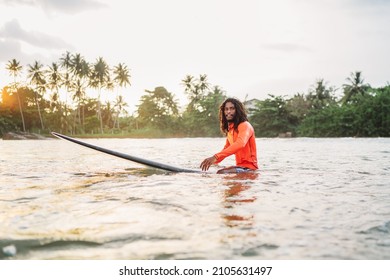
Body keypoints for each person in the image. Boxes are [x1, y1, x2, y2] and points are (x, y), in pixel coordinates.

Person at [200, 98, 258, 174]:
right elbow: (226, 149)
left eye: (232, 108)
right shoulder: (231, 130)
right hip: (240, 167)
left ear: (238, 110)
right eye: (226, 109)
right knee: (218, 170)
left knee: (222, 172)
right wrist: (211, 162)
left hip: (250, 169)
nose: (228, 111)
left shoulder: (245, 125)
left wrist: (215, 157)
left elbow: (240, 143)